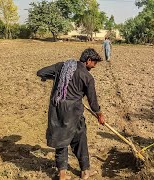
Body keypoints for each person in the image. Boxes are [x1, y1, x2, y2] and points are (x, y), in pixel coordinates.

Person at [37, 48, 105, 180]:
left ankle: (62, 174)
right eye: (94, 63)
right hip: (74, 112)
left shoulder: (62, 67)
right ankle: (85, 171)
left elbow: (41, 72)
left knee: (60, 140)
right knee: (80, 139)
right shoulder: (87, 77)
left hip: (57, 109)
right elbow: (93, 101)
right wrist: (99, 114)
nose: (95, 66)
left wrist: (56, 78)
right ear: (88, 60)